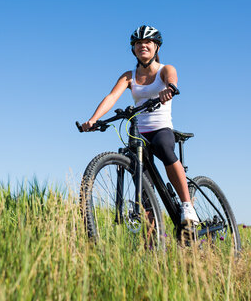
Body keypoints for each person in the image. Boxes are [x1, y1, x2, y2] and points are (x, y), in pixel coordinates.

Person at [81, 25, 199, 225]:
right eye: (138, 43)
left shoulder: (164, 69)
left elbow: (172, 79)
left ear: (156, 47)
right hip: (138, 133)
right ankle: (153, 244)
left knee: (164, 148)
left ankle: (187, 206)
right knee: (143, 188)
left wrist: (170, 88)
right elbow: (111, 97)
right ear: (133, 49)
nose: (142, 45)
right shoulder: (129, 76)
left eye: (147, 42)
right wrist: (93, 119)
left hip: (160, 129)